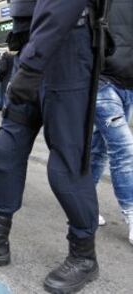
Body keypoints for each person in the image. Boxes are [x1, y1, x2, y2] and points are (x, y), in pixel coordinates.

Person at [0, 1, 101, 293]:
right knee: (4, 152)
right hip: (32, 43)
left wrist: (30, 65)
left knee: (66, 165)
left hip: (67, 43)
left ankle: (84, 255)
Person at [90, 0, 133, 245]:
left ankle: (86, 204)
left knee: (100, 149)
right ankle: (131, 213)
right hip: (104, 82)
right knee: (124, 148)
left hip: (129, 84)